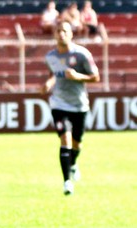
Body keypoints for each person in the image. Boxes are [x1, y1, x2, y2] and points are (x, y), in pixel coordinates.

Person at [41, 20, 99, 195]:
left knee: (77, 144)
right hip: (59, 103)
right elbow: (54, 74)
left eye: (65, 31)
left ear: (71, 34)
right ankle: (67, 182)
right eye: (58, 31)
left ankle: (73, 163)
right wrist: (48, 84)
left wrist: (77, 76)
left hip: (79, 104)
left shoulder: (82, 55)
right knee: (64, 141)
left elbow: (95, 77)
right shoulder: (51, 56)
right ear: (55, 34)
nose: (62, 34)